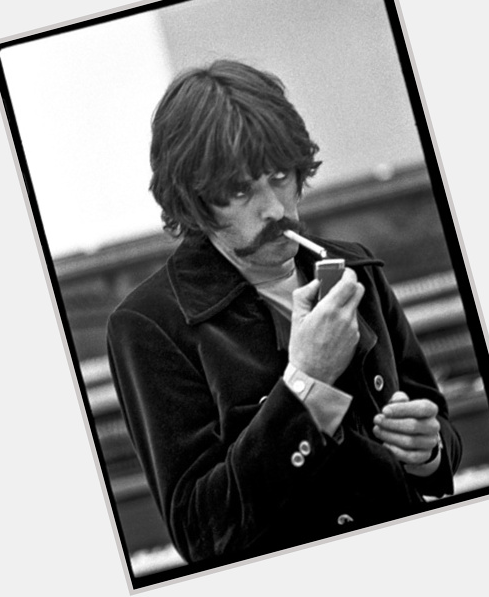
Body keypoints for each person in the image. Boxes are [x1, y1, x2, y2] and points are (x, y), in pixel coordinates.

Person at [107, 59, 462, 566]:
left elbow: (440, 432)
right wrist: (306, 383)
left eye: (280, 176)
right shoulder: (148, 325)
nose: (274, 208)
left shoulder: (356, 267)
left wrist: (428, 451)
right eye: (239, 191)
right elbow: (201, 533)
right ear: (193, 202)